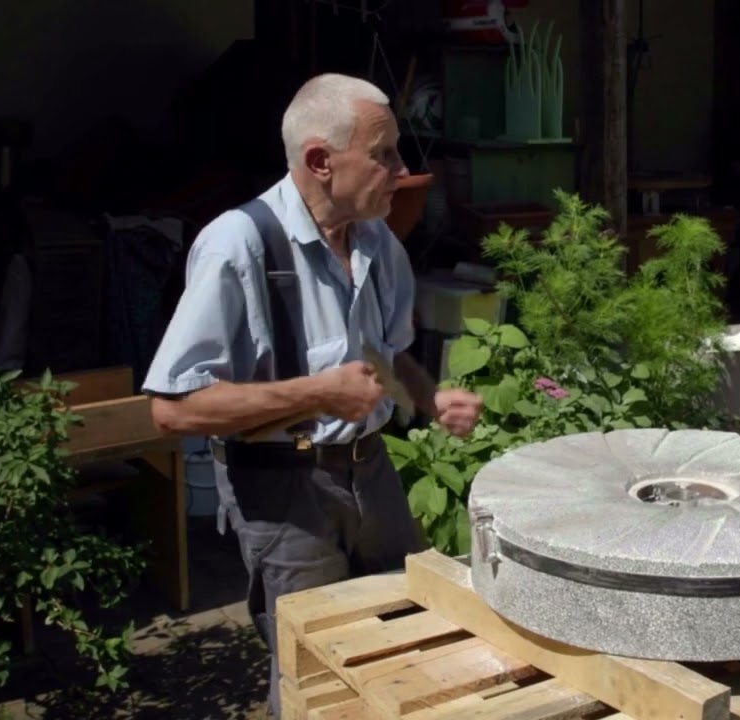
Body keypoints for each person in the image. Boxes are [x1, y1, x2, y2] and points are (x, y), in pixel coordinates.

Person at [141, 73, 482, 717]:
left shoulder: (378, 241)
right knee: (317, 670)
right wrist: (317, 393)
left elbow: (384, 350)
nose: (403, 170)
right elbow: (173, 408)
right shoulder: (238, 245)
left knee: (407, 632)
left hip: (372, 474)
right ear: (321, 160)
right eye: (384, 155)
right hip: (283, 490)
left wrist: (429, 397)